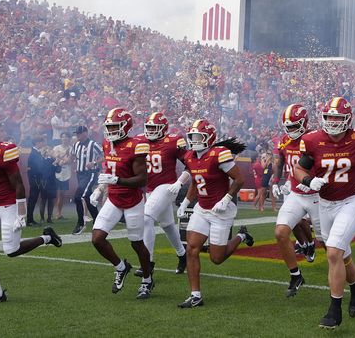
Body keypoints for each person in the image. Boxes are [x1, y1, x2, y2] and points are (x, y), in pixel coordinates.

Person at [293, 97, 355, 329]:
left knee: (334, 251)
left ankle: (334, 310)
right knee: (341, 254)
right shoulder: (313, 140)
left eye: (337, 117)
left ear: (347, 119)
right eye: (329, 117)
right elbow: (299, 167)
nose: (333, 122)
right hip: (325, 203)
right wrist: (308, 180)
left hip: (352, 201)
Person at [0, 116, 62, 305]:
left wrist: (21, 213)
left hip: (9, 204)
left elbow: (18, 184)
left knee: (12, 250)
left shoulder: (4, 151)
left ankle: (47, 237)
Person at [176, 119, 253, 308]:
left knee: (216, 258)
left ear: (209, 137)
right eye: (192, 137)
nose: (194, 141)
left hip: (221, 210)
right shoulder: (190, 156)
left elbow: (239, 179)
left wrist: (226, 199)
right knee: (191, 249)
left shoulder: (219, 154)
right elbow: (195, 182)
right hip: (201, 209)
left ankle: (241, 235)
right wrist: (186, 202)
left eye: (198, 137)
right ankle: (195, 295)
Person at [90, 108, 154, 300]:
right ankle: (121, 267)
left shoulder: (137, 145)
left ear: (125, 127)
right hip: (114, 198)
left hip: (133, 200)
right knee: (97, 238)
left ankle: (147, 279)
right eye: (108, 126)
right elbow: (108, 172)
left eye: (114, 126)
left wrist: (117, 180)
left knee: (136, 243)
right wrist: (100, 189)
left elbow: (142, 180)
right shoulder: (106, 144)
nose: (110, 130)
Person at [270, 104, 321, 297]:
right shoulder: (283, 141)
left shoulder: (314, 139)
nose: (290, 130)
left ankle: (347, 276)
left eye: (294, 126)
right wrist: (276, 181)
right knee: (281, 232)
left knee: (328, 241)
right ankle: (296, 275)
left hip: (316, 195)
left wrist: (315, 181)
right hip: (295, 193)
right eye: (287, 126)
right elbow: (280, 161)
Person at [136, 112, 190, 277]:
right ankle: (183, 255)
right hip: (151, 189)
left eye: (154, 127)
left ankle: (148, 262)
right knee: (167, 225)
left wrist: (179, 182)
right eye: (149, 127)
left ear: (163, 128)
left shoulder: (173, 141)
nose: (151, 131)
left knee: (146, 218)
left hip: (167, 187)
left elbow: (191, 164)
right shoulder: (140, 141)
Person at [71, 125, 103, 235]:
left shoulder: (93, 144)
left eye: (79, 133)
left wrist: (94, 163)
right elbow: (72, 157)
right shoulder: (76, 145)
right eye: (76, 133)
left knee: (78, 196)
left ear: (85, 133)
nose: (77, 135)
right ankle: (98, 220)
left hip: (90, 174)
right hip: (80, 174)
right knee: (87, 198)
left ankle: (81, 223)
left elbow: (105, 155)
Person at [52, 132, 73, 220]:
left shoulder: (72, 149)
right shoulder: (56, 148)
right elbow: (54, 157)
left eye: (66, 137)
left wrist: (62, 159)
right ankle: (53, 213)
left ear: (69, 138)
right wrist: (61, 158)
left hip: (66, 173)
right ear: (61, 139)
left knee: (62, 194)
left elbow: (70, 160)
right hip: (57, 173)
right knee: (55, 194)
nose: (64, 139)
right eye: (63, 137)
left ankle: (59, 213)